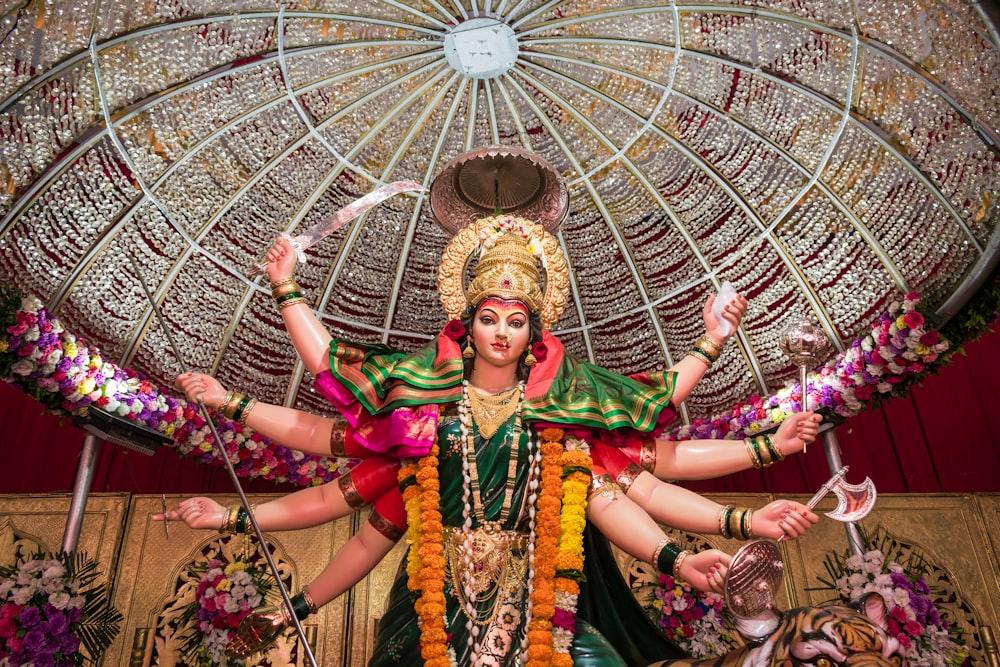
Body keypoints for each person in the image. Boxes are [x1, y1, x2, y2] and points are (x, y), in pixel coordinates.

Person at [158, 215, 821, 666]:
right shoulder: (428, 415)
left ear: (533, 332)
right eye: (488, 317)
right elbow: (339, 479)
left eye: (515, 320)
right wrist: (279, 303)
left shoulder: (557, 410)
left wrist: (690, 547)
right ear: (467, 323)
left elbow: (627, 486)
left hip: (543, 615)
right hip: (431, 618)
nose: (501, 331)